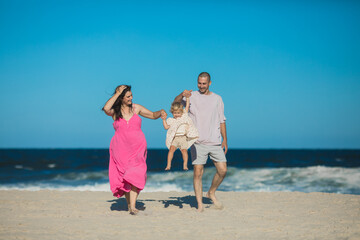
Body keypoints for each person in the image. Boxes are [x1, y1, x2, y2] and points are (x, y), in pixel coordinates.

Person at [102, 85, 165, 215]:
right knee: (126, 178)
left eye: (131, 95)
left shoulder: (136, 108)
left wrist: (160, 112)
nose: (131, 98)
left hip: (138, 147)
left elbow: (153, 115)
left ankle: (133, 205)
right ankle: (130, 205)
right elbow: (106, 108)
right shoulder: (115, 111)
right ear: (121, 98)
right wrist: (117, 94)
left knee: (136, 173)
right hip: (120, 149)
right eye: (128, 96)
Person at [174, 72, 228, 212]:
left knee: (222, 171)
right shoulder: (191, 97)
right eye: (199, 83)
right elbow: (174, 104)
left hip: (215, 141)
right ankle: (199, 205)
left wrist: (225, 140)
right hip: (197, 142)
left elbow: (222, 120)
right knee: (198, 172)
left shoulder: (217, 99)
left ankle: (211, 192)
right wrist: (182, 94)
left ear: (209, 83)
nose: (201, 86)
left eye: (204, 83)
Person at [162, 97, 198, 171]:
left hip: (183, 138)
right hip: (175, 138)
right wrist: (164, 120)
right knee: (171, 150)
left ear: (181, 112)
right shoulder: (171, 120)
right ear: (172, 112)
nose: (177, 115)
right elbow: (166, 127)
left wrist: (187, 98)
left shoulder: (184, 116)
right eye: (175, 113)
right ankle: (168, 165)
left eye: (178, 113)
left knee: (184, 151)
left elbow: (187, 106)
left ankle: (185, 165)